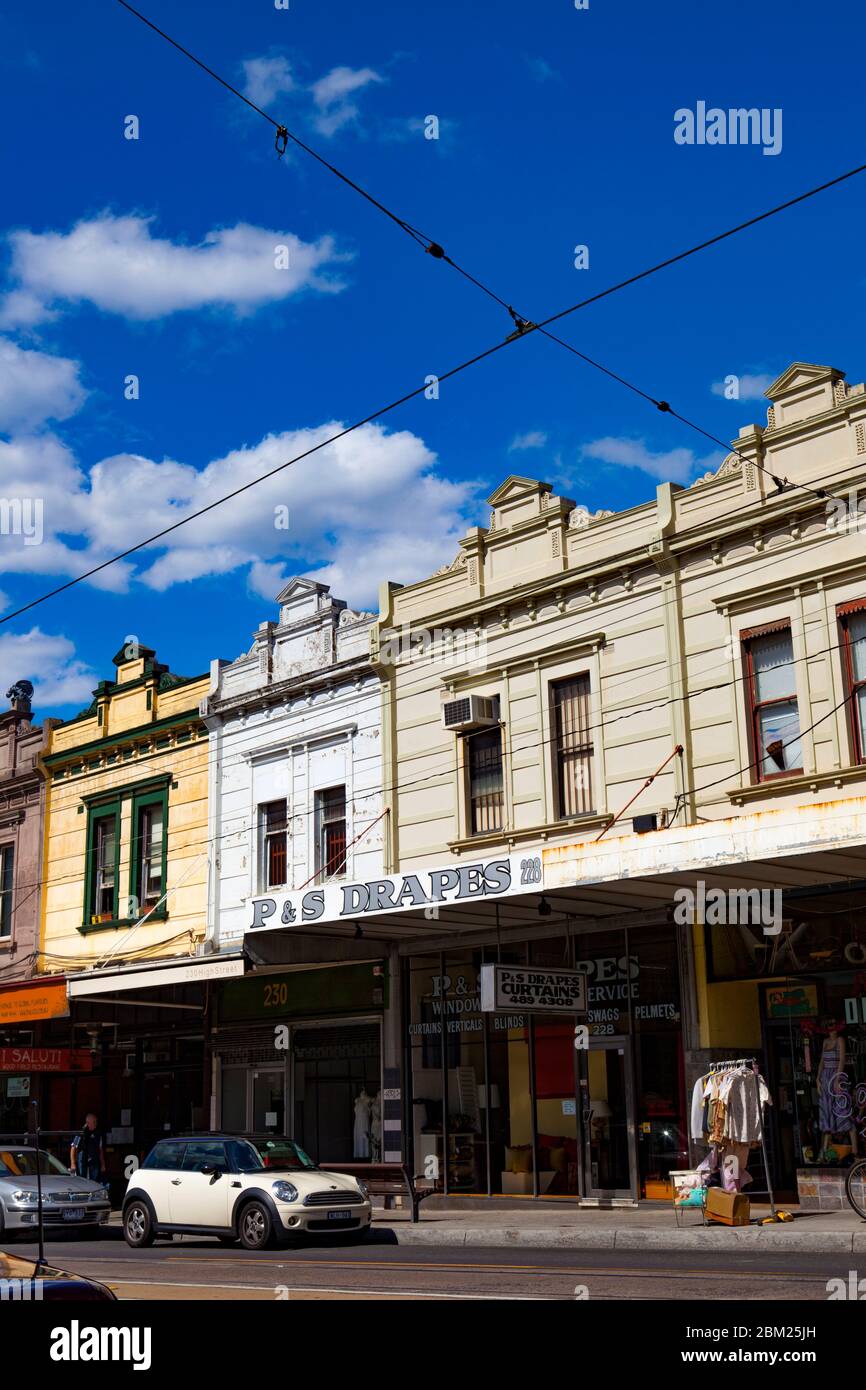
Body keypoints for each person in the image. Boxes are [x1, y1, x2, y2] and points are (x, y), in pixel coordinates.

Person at [70, 1112, 106, 1182]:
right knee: (82, 1180)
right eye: (94, 1122)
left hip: (94, 1160)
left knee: (94, 1181)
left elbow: (100, 1149)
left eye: (96, 1122)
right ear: (88, 1122)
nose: (96, 1123)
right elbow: (73, 1148)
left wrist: (103, 1164)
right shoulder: (80, 1133)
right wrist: (73, 1164)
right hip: (82, 1160)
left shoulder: (98, 1133)